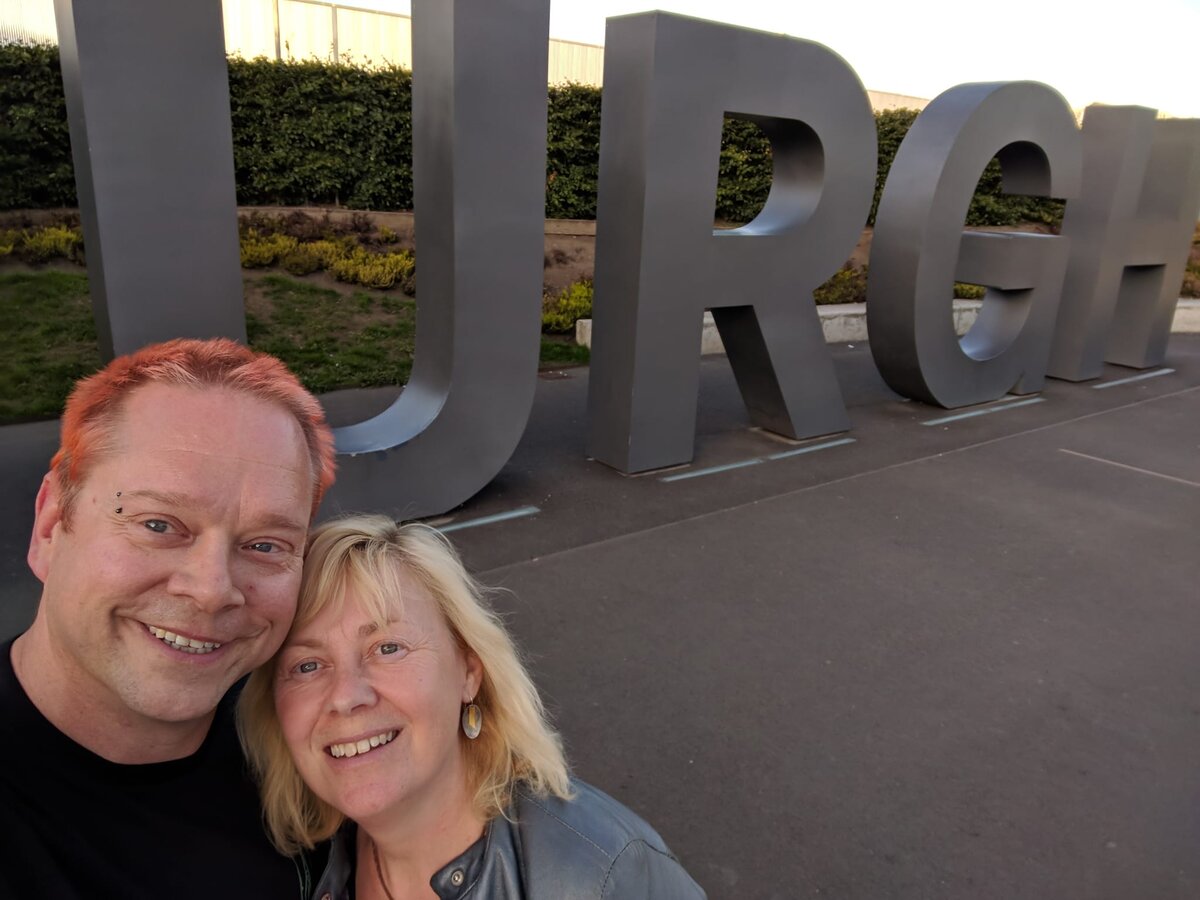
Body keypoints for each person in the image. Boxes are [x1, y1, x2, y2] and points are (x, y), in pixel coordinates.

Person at [0, 338, 337, 899]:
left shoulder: (322, 747)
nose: (212, 591)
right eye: (158, 525)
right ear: (51, 526)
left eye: (265, 545)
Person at [238, 514, 706, 900]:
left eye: (388, 648)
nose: (345, 696)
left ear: (469, 672)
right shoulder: (298, 862)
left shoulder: (600, 875)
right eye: (307, 665)